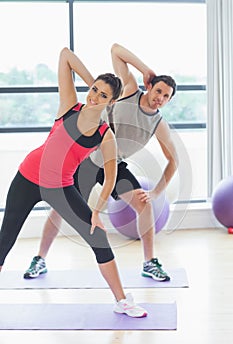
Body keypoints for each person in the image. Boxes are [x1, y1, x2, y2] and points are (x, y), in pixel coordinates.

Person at [0, 47, 147, 318]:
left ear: (111, 103)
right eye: (93, 90)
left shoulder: (105, 135)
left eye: (103, 96)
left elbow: (111, 176)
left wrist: (96, 211)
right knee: (5, 239)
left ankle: (122, 300)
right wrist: (94, 82)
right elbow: (66, 55)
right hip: (27, 178)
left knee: (99, 239)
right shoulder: (69, 105)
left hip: (61, 188)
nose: (94, 97)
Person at [24, 43, 178, 283]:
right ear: (150, 86)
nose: (160, 98)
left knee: (144, 206)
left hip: (113, 165)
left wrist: (157, 192)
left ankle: (149, 263)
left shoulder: (159, 125)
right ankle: (39, 259)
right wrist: (146, 68)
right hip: (85, 159)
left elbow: (173, 160)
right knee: (59, 211)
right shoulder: (129, 90)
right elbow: (116, 50)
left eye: (166, 96)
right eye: (158, 91)